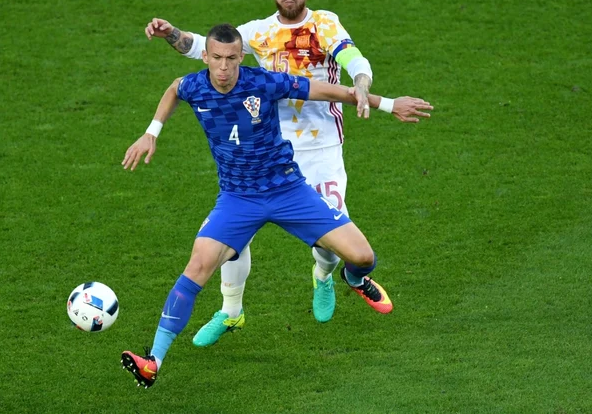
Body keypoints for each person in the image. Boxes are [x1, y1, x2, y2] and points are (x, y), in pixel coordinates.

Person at [120, 24, 433, 388]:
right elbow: (174, 88)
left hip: (287, 191)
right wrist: (151, 132)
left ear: (242, 57)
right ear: (205, 57)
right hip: (237, 200)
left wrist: (388, 103)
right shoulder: (195, 86)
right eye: (217, 59)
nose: (224, 68)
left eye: (232, 59)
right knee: (198, 265)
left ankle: (354, 279)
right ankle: (153, 360)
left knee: (363, 256)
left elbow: (322, 90)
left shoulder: (263, 82)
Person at [143, 0, 428, 346]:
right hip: (269, 146)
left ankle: (327, 276)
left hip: (322, 147)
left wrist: (367, 85)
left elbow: (352, 57)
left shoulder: (324, 23)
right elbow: (206, 50)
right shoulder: (257, 32)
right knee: (231, 240)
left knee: (335, 245)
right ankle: (230, 312)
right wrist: (173, 32)